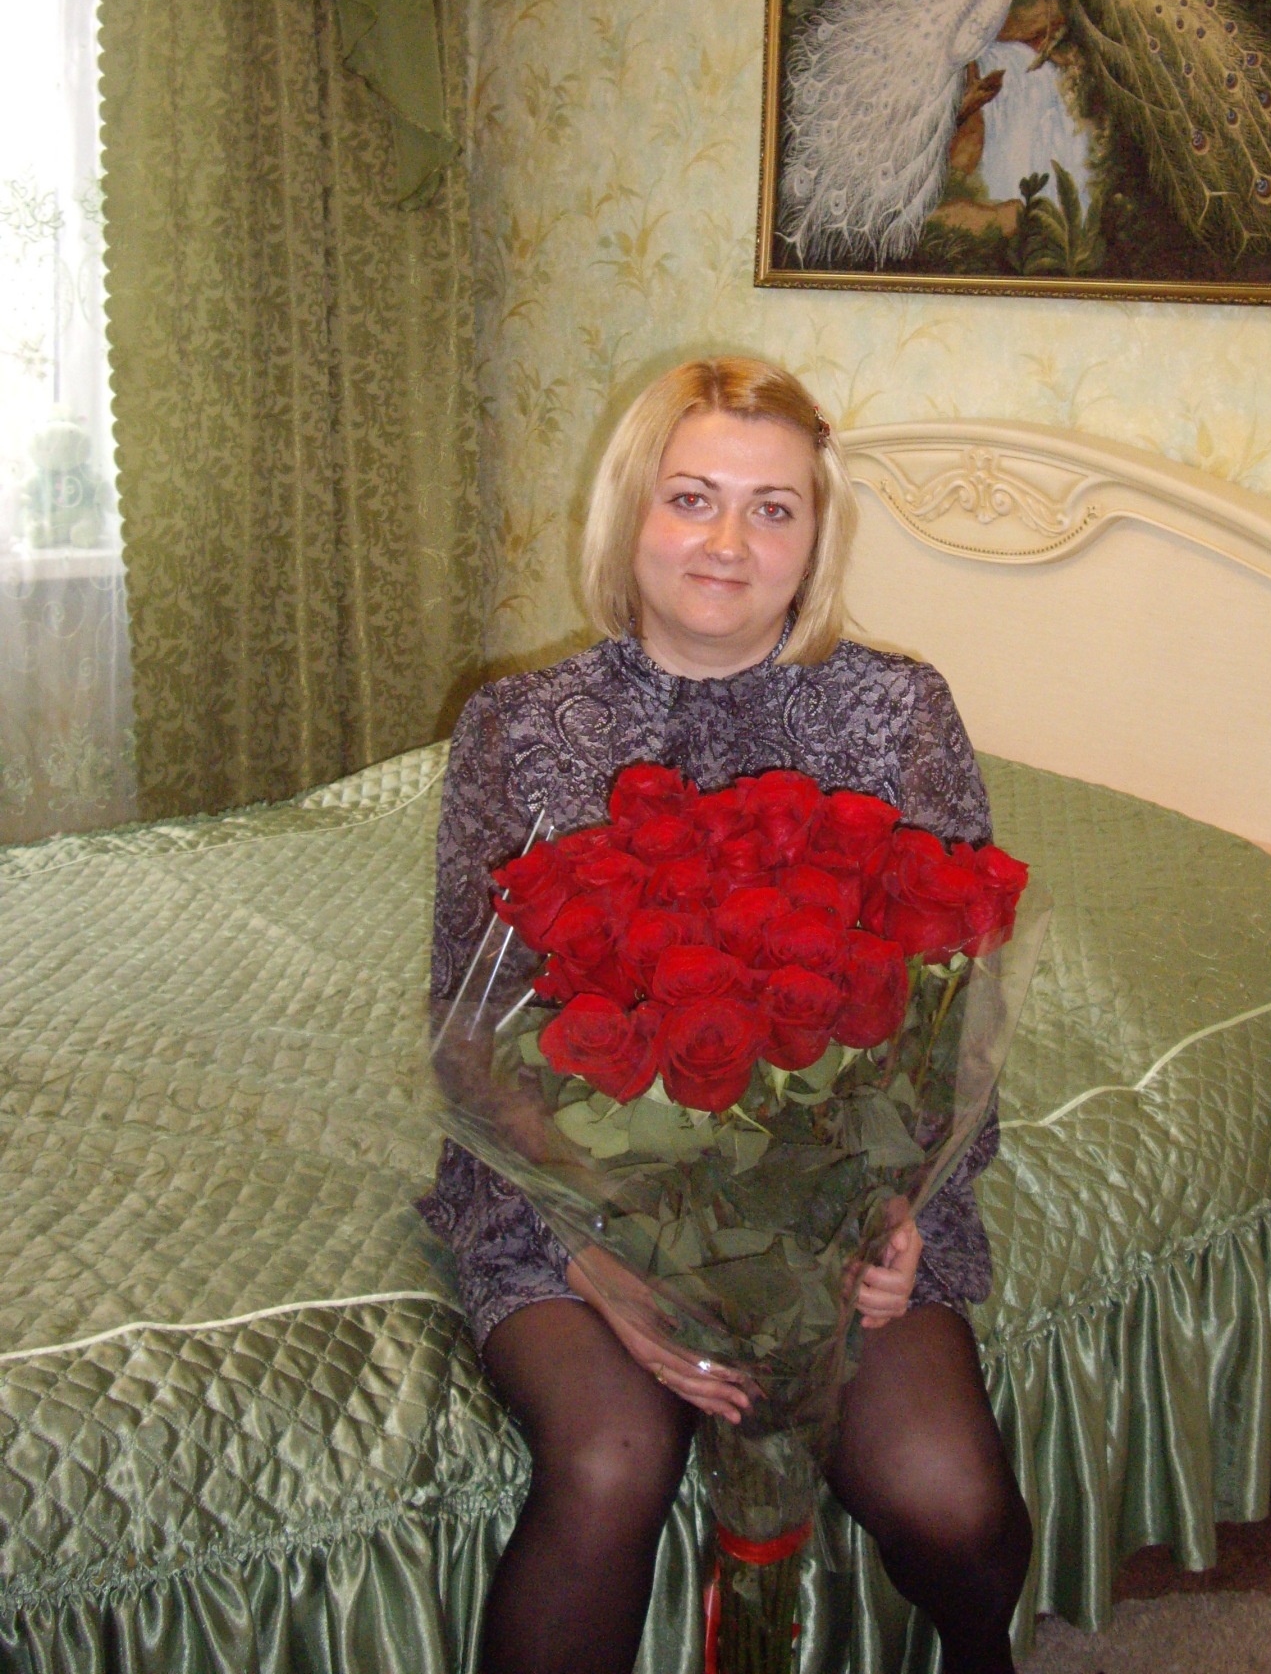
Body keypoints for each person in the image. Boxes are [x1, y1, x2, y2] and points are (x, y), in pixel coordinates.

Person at [419, 357, 1032, 1674]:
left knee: (952, 1500)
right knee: (607, 1464)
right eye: (691, 497)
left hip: (840, 1209)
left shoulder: (899, 712)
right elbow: (468, 1034)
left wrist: (901, 1210)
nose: (726, 543)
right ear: (630, 512)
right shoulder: (517, 726)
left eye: (773, 509)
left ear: (816, 541)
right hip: (572, 1205)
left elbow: (957, 1019)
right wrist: (596, 1259)